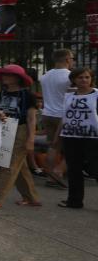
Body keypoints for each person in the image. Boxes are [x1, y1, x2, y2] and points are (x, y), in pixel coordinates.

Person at [0, 64, 41, 208]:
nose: (5, 77)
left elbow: (32, 118)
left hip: (21, 130)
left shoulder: (27, 96)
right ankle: (31, 197)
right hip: (6, 130)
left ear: (17, 78)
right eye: (4, 74)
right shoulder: (3, 93)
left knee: (9, 165)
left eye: (9, 75)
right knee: (19, 166)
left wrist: (31, 138)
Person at [56, 67, 98, 209]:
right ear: (74, 79)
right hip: (71, 136)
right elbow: (64, 117)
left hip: (92, 137)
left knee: (95, 168)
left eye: (87, 77)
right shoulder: (69, 96)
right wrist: (57, 136)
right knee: (74, 169)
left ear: (91, 79)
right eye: (80, 77)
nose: (84, 80)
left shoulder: (96, 95)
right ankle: (74, 200)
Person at [39, 49, 75, 188]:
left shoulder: (45, 75)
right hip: (63, 115)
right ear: (67, 59)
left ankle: (50, 176)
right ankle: (58, 172)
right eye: (72, 58)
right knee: (73, 147)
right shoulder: (70, 76)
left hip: (47, 113)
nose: (73, 61)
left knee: (52, 146)